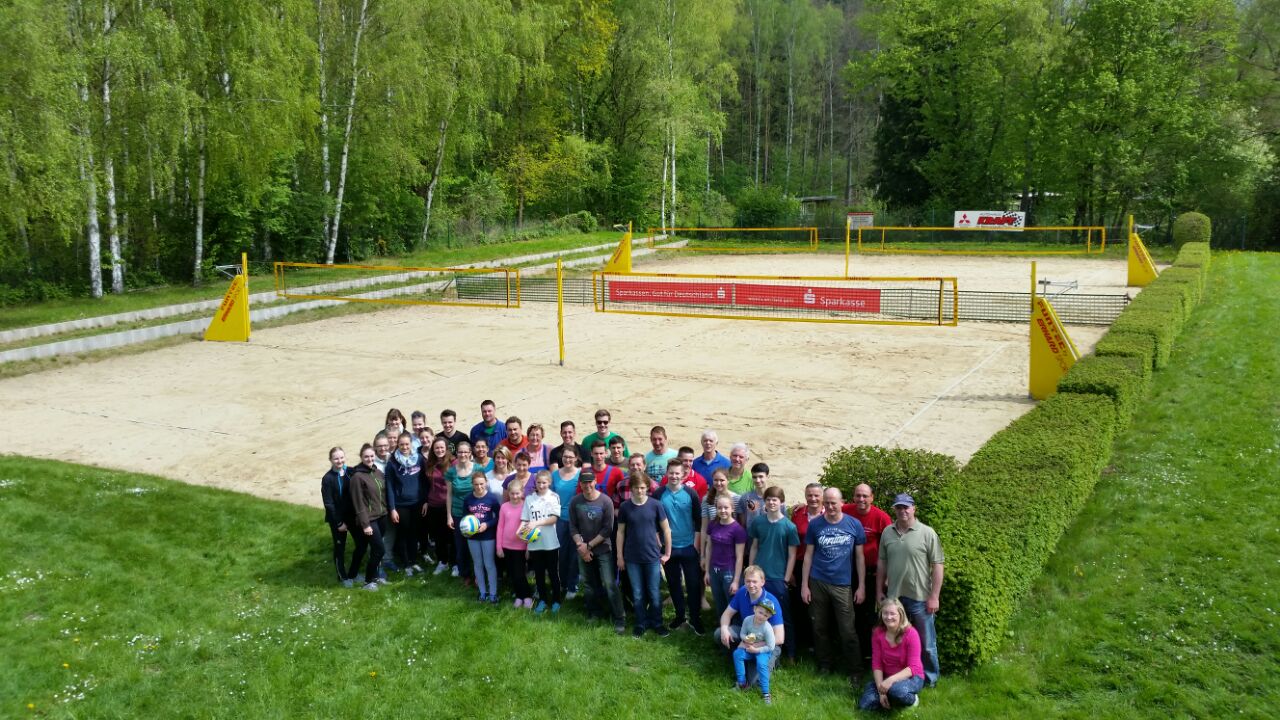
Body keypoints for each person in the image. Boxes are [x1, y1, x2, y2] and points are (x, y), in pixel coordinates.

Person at [877, 493, 944, 688]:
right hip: (894, 599)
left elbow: (938, 565)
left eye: (906, 507)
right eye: (898, 507)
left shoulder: (927, 533)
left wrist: (934, 596)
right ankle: (901, 677)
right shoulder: (887, 532)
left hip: (921, 598)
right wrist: (878, 591)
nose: (902, 511)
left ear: (914, 508)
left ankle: (930, 680)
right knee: (895, 641)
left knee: (927, 643)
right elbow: (882, 563)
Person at [801, 487, 866, 683]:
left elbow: (860, 557)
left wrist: (861, 585)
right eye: (827, 503)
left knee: (847, 629)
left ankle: (855, 670)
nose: (830, 506)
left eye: (833, 503)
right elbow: (808, 555)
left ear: (842, 503)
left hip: (842, 584)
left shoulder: (854, 524)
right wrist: (804, 585)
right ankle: (825, 665)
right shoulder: (815, 525)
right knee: (819, 626)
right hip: (817, 581)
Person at [569, 471, 625, 634]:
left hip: (603, 549)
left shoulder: (606, 501)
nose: (587, 485)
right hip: (582, 548)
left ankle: (619, 617)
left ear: (595, 482)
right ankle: (594, 612)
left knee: (609, 583)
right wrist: (581, 545)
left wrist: (589, 546)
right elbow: (573, 527)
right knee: (588, 584)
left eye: (590, 482)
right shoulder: (575, 501)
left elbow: (607, 529)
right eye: (584, 482)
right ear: (580, 484)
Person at [617, 471, 671, 637]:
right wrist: (619, 556)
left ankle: (657, 623)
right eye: (636, 488)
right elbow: (620, 532)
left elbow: (666, 529)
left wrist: (667, 553)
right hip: (632, 558)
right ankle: (640, 623)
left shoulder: (656, 505)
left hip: (652, 556)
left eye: (642, 487)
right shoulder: (625, 507)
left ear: (647, 487)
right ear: (631, 489)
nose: (639, 491)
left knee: (654, 592)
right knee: (638, 593)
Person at [748, 485, 800, 659]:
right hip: (759, 577)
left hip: (778, 578)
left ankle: (790, 652)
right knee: (757, 615)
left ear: (781, 502)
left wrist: (786, 578)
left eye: (775, 500)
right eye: (768, 499)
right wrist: (750, 572)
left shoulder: (789, 526)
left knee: (783, 616)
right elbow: (754, 547)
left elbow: (792, 555)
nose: (771, 503)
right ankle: (756, 648)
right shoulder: (758, 522)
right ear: (765, 501)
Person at [844, 483, 893, 664]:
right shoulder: (846, 510)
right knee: (851, 613)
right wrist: (801, 507)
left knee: (869, 616)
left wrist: (887, 576)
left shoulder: (881, 518)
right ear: (853, 497)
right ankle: (853, 654)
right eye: (858, 495)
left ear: (872, 497)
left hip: (872, 573)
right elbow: (825, 509)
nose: (861, 499)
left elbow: (890, 548)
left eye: (865, 496)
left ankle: (870, 655)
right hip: (849, 571)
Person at [715, 565, 785, 688]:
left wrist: (751, 645)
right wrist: (725, 630)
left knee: (755, 683)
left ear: (762, 582)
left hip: (768, 643)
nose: (751, 585)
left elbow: (780, 638)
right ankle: (739, 658)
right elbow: (727, 614)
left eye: (754, 581)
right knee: (719, 633)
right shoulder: (742, 592)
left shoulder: (771, 601)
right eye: (748, 581)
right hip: (748, 635)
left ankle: (773, 660)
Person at [656, 459, 704, 635]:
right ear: (666, 473)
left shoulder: (691, 493)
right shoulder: (659, 494)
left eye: (677, 473)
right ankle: (680, 616)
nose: (674, 476)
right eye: (671, 473)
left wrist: (696, 544)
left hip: (689, 546)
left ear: (683, 475)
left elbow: (698, 520)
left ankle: (695, 618)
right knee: (674, 583)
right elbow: (654, 521)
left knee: (693, 584)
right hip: (669, 548)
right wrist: (659, 544)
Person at [857, 598, 925, 711]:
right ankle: (888, 696)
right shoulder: (877, 632)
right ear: (881, 614)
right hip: (886, 676)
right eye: (885, 613)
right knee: (865, 706)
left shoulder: (911, 634)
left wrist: (890, 681)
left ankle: (913, 699)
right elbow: (877, 663)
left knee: (897, 691)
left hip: (911, 677)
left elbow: (913, 668)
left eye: (892, 613)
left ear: (900, 615)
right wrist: (881, 691)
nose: (888, 617)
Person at [345, 444, 388, 591]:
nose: (369, 459)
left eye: (371, 456)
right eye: (366, 457)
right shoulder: (357, 477)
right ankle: (368, 582)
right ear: (361, 457)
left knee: (366, 548)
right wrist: (365, 524)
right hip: (370, 520)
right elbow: (358, 503)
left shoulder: (377, 472)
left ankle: (366, 576)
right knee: (379, 550)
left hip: (382, 516)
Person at [789, 482, 824, 655]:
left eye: (816, 495)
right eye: (809, 495)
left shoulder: (830, 513)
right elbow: (791, 541)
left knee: (818, 604)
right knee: (800, 602)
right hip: (799, 563)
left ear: (822, 496)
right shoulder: (798, 513)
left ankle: (818, 642)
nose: (813, 498)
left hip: (821, 566)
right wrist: (790, 570)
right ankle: (802, 640)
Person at [520, 470, 562, 613]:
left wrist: (536, 523)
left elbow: (554, 518)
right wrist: (522, 535)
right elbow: (525, 520)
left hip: (551, 543)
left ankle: (556, 600)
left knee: (553, 573)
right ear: (535, 483)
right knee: (538, 574)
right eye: (539, 482)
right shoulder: (529, 499)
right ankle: (542, 600)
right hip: (535, 544)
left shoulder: (554, 497)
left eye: (544, 482)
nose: (541, 485)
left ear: (549, 482)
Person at [385, 433, 425, 577]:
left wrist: (425, 500)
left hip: (417, 503)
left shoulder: (419, 459)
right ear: (398, 445)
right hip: (401, 505)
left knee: (414, 533)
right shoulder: (392, 463)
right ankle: (406, 563)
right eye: (401, 444)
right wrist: (392, 508)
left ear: (411, 444)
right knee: (403, 533)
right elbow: (389, 486)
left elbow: (424, 480)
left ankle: (413, 561)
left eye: (407, 444)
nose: (404, 447)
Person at [703, 494, 747, 620]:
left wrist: (736, 581)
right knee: (719, 602)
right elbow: (709, 548)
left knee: (732, 603)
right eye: (719, 508)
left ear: (732, 508)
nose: (723, 510)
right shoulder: (712, 525)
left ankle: (736, 628)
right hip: (714, 570)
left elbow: (739, 557)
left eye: (726, 507)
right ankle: (722, 627)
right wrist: (707, 572)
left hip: (729, 572)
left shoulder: (738, 530)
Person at [463, 471, 503, 603]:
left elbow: (499, 517)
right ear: (472, 485)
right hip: (472, 537)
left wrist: (487, 524)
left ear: (486, 483)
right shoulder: (468, 499)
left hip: (488, 536)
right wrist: (467, 528)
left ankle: (493, 593)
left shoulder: (491, 498)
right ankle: (482, 592)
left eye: (481, 484)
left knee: (489, 564)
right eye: (476, 484)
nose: (479, 487)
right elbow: (465, 517)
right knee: (478, 564)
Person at [549, 449, 582, 599]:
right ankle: (562, 583)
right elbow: (550, 497)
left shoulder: (580, 474)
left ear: (576, 458)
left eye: (570, 457)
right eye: (565, 457)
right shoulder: (555, 475)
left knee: (574, 554)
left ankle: (572, 585)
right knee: (560, 554)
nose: (567, 459)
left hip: (576, 520)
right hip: (559, 520)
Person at [733, 598, 778, 705]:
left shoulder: (767, 628)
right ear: (755, 609)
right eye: (760, 612)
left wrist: (756, 650)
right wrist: (746, 639)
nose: (762, 616)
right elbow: (742, 633)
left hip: (763, 650)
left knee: (761, 664)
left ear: (769, 617)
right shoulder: (747, 620)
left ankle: (766, 693)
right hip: (750, 646)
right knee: (737, 654)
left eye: (766, 615)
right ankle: (742, 683)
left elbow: (771, 646)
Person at [444, 442, 478, 583]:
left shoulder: (478, 469)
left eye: (465, 452)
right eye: (460, 452)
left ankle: (478, 575)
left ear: (470, 453)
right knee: (461, 546)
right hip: (458, 513)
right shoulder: (451, 472)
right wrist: (449, 516)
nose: (463, 454)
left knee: (476, 546)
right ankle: (465, 574)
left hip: (475, 513)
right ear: (456, 453)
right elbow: (449, 494)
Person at [497, 482, 533, 608]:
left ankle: (527, 596)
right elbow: (500, 527)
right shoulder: (504, 507)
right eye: (512, 493)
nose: (515, 496)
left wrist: (528, 548)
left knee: (520, 573)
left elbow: (528, 528)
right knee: (512, 573)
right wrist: (499, 547)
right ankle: (518, 596)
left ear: (522, 493)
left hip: (520, 547)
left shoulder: (526, 507)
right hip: (506, 546)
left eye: (517, 493)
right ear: (508, 493)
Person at [320, 446, 353, 586]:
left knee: (361, 544)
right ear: (330, 460)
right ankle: (342, 576)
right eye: (336, 458)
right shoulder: (327, 479)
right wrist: (339, 523)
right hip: (337, 519)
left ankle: (353, 573)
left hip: (352, 516)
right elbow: (328, 503)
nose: (339, 461)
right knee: (340, 547)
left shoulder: (350, 472)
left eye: (341, 457)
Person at [421, 436, 454, 575]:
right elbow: (425, 484)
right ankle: (442, 561)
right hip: (434, 504)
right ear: (433, 450)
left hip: (449, 504)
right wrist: (426, 501)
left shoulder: (453, 463)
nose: (439, 450)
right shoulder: (429, 463)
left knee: (451, 536)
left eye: (442, 447)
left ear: (446, 449)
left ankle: (455, 563)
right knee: (439, 536)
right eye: (436, 448)